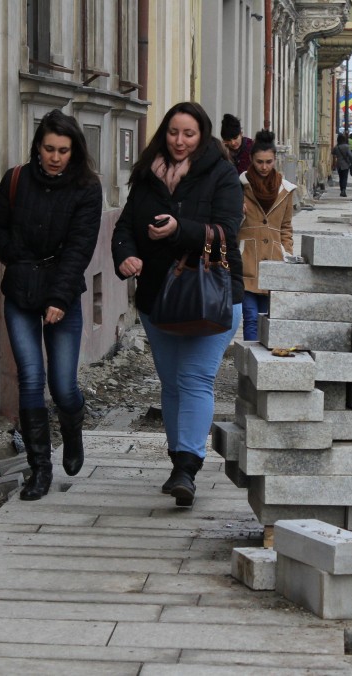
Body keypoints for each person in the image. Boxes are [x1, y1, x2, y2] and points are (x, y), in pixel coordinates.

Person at [111, 102, 244, 507]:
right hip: (159, 298)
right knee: (171, 383)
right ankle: (177, 459)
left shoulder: (221, 174)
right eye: (173, 132)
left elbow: (227, 230)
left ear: (202, 135)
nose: (179, 141)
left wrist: (179, 229)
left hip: (213, 297)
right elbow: (124, 227)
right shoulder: (147, 175)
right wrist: (125, 257)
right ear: (163, 134)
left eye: (188, 133)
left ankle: (187, 467)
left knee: (196, 379)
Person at [0, 110, 103, 501]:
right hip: (20, 290)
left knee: (63, 385)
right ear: (38, 147)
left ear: (74, 151)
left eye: (63, 150)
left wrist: (58, 297)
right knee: (31, 377)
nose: (55, 157)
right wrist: (17, 257)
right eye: (49, 148)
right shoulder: (16, 179)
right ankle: (39, 469)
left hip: (61, 293)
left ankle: (72, 429)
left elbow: (80, 248)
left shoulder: (87, 188)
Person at [239, 129, 295, 342]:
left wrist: (286, 251)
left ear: (275, 160)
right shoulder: (240, 185)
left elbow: (286, 226)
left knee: (267, 318)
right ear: (251, 159)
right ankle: (250, 369)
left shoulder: (286, 190)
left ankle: (263, 365)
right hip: (247, 260)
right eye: (259, 162)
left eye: (268, 162)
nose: (264, 167)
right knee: (251, 317)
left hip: (274, 260)